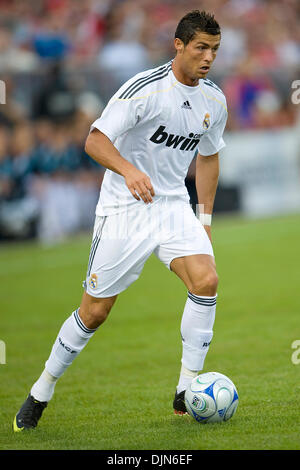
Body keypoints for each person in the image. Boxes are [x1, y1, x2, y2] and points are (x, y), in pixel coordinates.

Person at [13, 10, 227, 431]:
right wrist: (129, 171)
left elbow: (209, 155)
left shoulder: (214, 101)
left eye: (215, 50)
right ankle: (42, 390)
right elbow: (95, 139)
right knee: (94, 312)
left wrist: (203, 217)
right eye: (200, 47)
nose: (208, 58)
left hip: (171, 207)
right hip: (125, 210)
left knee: (207, 281)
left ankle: (185, 391)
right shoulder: (144, 90)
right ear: (179, 45)